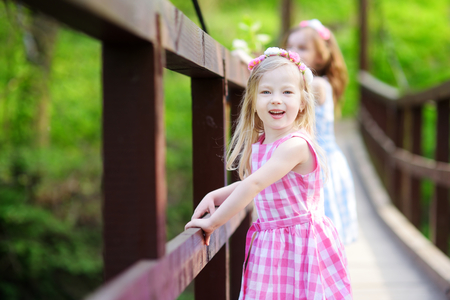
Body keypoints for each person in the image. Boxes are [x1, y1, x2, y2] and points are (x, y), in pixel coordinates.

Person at [185, 47, 352, 299]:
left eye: (287, 92)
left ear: (302, 104)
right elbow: (254, 182)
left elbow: (254, 184)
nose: (276, 99)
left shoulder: (295, 145)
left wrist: (213, 222)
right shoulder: (263, 144)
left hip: (300, 245)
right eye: (266, 92)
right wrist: (215, 195)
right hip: (272, 243)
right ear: (252, 102)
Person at [284, 19, 358, 245]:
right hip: (313, 160)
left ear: (320, 56)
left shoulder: (316, 85)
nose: (293, 53)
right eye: (290, 46)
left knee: (321, 228)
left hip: (321, 163)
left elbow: (281, 85)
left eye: (302, 48)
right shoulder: (315, 82)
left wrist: (255, 63)